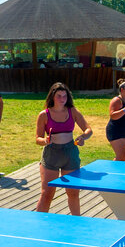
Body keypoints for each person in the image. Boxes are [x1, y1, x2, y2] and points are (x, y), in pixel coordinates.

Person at [36, 82, 93, 215]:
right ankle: (38, 224)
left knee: (73, 193)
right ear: (52, 97)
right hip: (51, 155)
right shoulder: (44, 115)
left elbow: (88, 129)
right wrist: (44, 140)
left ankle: (76, 222)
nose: (62, 99)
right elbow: (37, 139)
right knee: (47, 194)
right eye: (59, 96)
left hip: (70, 154)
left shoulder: (72, 111)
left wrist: (83, 137)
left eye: (64, 96)